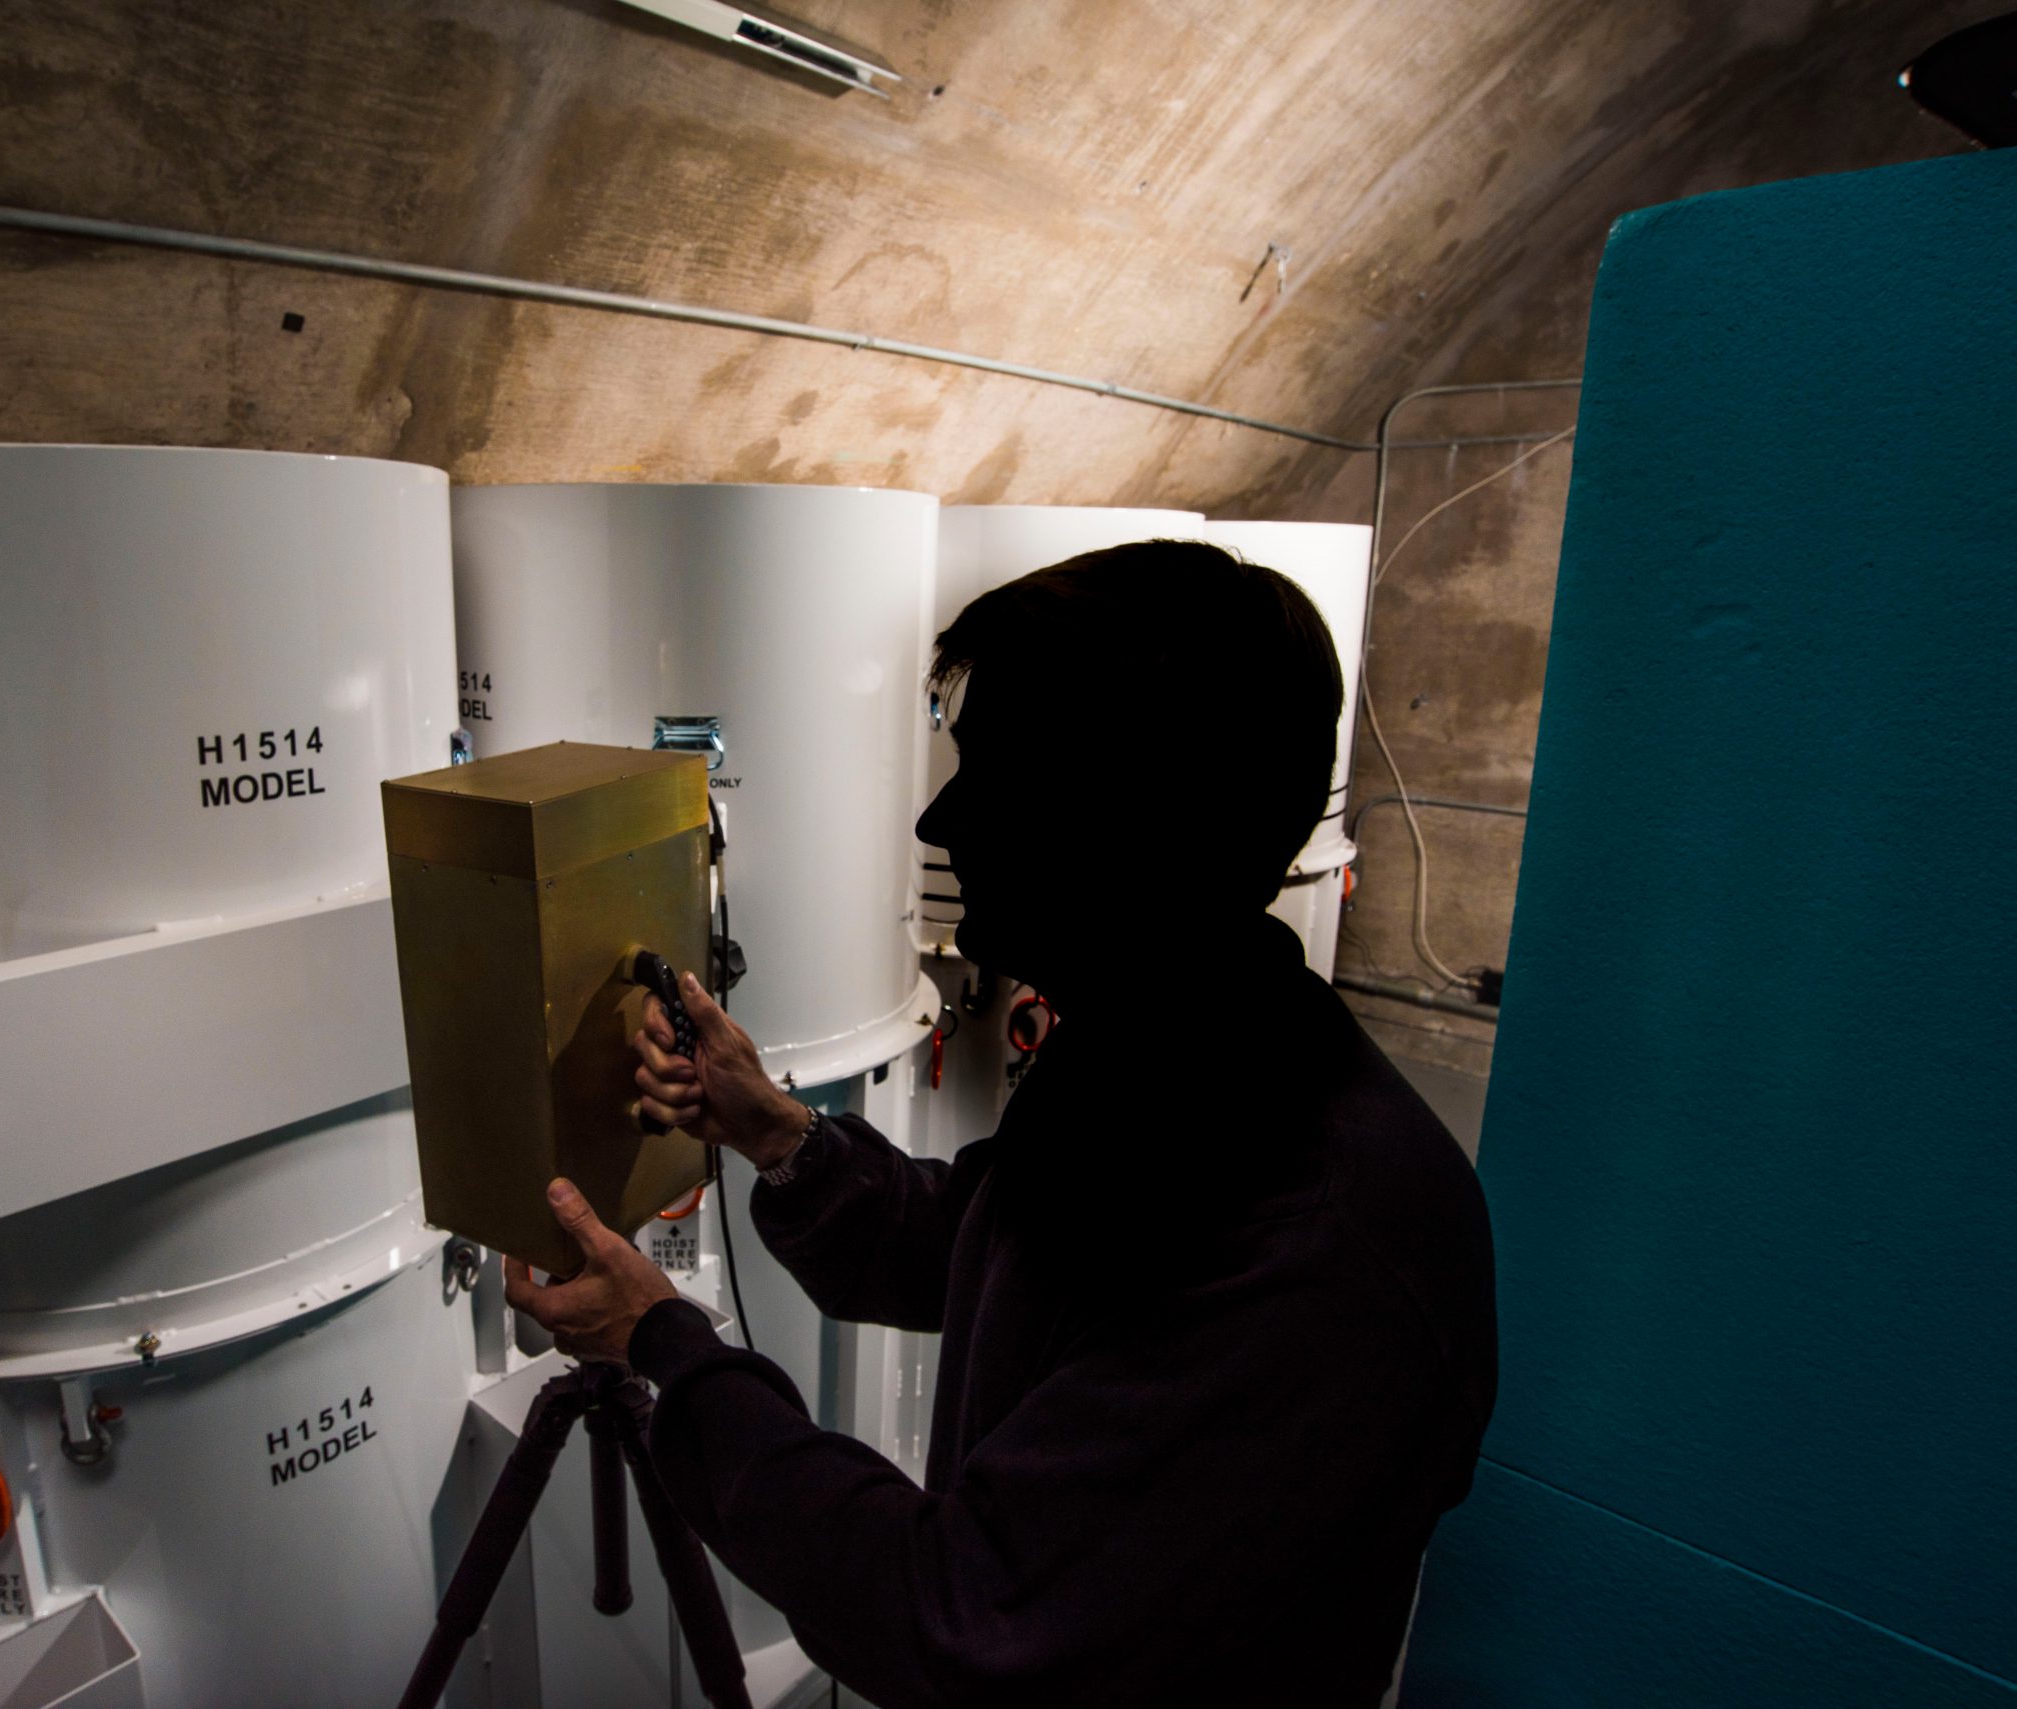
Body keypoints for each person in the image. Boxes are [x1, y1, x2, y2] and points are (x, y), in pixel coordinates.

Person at [505, 541, 1497, 1707]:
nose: (937, 818)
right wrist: (780, 1133)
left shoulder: (1309, 1255)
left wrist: (666, 1343)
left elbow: (956, 1622)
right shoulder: (1162, 1044)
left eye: (993, 773)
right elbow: (986, 1241)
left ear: (1132, 818)